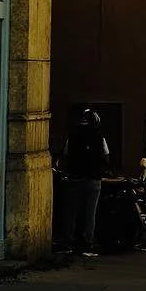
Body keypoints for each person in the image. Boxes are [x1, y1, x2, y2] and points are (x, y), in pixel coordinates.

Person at [61, 106, 110, 260]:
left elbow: (66, 155)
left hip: (75, 178)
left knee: (72, 212)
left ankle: (68, 242)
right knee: (90, 213)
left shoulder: (73, 136)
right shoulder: (99, 137)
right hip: (93, 180)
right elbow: (106, 157)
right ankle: (87, 242)